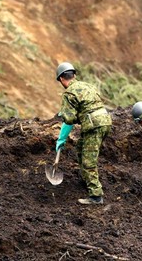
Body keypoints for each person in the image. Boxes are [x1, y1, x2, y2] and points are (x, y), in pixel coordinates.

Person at [54, 62, 112, 205]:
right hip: (105, 121)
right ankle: (87, 179)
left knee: (88, 160)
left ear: (62, 79)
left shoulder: (69, 93)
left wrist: (61, 138)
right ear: (74, 75)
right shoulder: (88, 86)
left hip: (94, 125)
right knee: (80, 148)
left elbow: (69, 119)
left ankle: (96, 196)